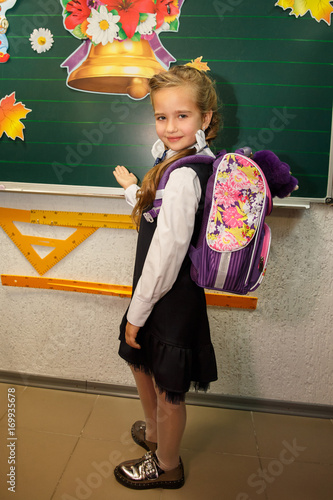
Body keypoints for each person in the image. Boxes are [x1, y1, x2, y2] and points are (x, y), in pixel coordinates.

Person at [113, 63, 220, 490]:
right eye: (161, 117)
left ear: (205, 119)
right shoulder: (179, 161)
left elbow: (168, 251)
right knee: (142, 363)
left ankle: (168, 464)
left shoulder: (184, 176)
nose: (170, 126)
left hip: (168, 295)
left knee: (168, 389)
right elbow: (159, 216)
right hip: (158, 291)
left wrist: (138, 311)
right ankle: (155, 435)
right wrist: (131, 190)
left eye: (183, 116)